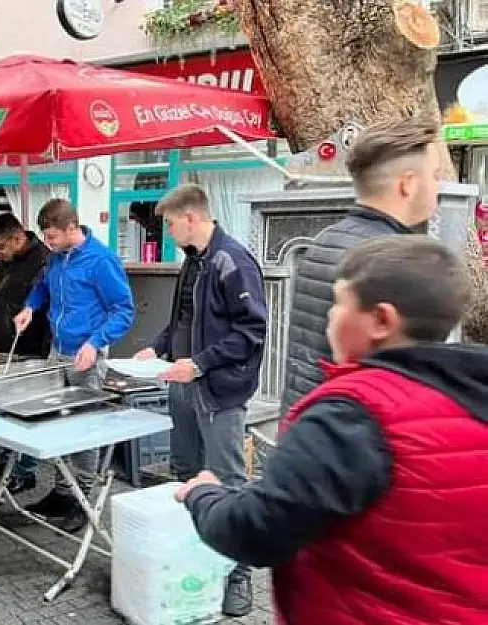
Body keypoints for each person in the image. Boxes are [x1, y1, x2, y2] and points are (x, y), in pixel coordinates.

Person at [177, 235, 488, 625]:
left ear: (381, 320)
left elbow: (257, 531)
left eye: (339, 302)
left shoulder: (351, 415)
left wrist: (203, 494)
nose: (329, 316)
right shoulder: (471, 396)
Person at [134, 184, 267, 617]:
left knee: (227, 482)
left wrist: (201, 364)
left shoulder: (233, 260)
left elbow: (252, 332)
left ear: (191, 217)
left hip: (220, 391)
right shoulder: (192, 262)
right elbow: (184, 322)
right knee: (184, 476)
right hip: (183, 384)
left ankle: (238, 575)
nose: (167, 232)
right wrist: (158, 348)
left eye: (169, 223)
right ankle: (193, 560)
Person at [281, 117, 442, 413]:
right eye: (435, 175)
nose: (438, 186)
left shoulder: (322, 241)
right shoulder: (398, 261)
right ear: (408, 184)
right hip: (356, 438)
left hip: (307, 422)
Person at [14, 198, 135, 532]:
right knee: (58, 422)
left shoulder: (101, 260)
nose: (47, 244)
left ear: (71, 228)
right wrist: (30, 307)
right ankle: (61, 490)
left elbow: (123, 310)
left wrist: (95, 343)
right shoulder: (58, 259)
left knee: (84, 427)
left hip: (86, 355)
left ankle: (81, 498)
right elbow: (43, 288)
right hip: (58, 349)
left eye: (51, 237)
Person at [0, 213, 51, 493]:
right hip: (2, 347)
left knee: (27, 412)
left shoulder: (42, 261)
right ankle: (6, 459)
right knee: (4, 408)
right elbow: (5, 291)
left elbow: (43, 302)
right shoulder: (7, 261)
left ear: (18, 238)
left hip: (29, 348)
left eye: (0, 247)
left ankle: (25, 470)